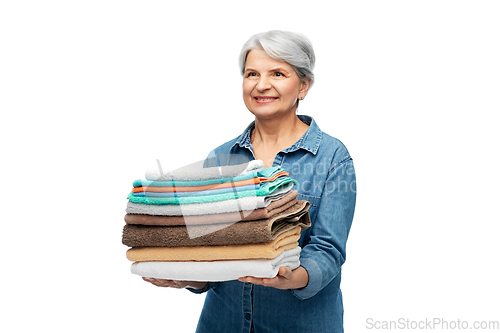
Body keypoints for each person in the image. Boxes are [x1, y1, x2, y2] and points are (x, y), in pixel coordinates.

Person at [143, 30, 357, 333]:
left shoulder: (332, 157)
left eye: (278, 73)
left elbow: (328, 249)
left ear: (304, 85)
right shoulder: (221, 157)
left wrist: (292, 276)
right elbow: (210, 251)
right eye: (252, 73)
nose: (261, 84)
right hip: (223, 323)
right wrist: (185, 275)